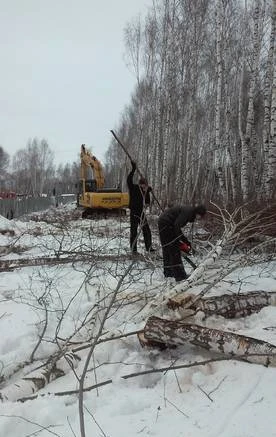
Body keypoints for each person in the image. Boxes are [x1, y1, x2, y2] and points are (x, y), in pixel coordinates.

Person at [158, 204, 207, 281]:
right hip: (167, 224)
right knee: (175, 250)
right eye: (201, 216)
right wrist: (183, 241)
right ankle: (180, 276)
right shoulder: (188, 212)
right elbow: (177, 226)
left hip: (164, 222)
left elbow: (176, 226)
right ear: (198, 213)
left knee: (167, 248)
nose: (200, 218)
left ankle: (168, 272)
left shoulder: (189, 211)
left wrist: (185, 242)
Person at [127, 160, 154, 254]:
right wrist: (133, 169)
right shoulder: (133, 188)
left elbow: (147, 203)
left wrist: (148, 192)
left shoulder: (146, 192)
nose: (143, 187)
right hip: (134, 212)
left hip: (141, 213)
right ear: (140, 184)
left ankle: (149, 248)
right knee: (133, 231)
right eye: (142, 185)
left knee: (146, 230)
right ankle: (133, 250)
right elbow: (129, 180)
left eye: (145, 186)